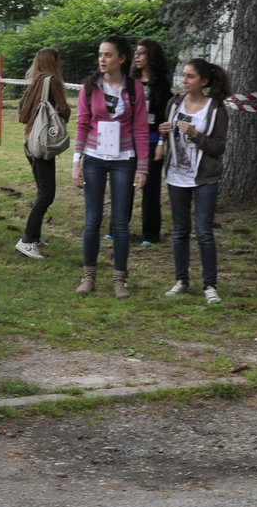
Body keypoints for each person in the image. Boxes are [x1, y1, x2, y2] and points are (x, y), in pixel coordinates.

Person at [72, 34, 150, 297]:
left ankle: (120, 279)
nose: (102, 60)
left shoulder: (135, 89)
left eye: (108, 55)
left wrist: (142, 167)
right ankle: (88, 276)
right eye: (100, 55)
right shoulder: (90, 87)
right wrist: (76, 162)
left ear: (122, 59)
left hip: (123, 160)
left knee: (120, 222)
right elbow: (82, 124)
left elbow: (140, 129)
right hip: (94, 158)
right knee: (92, 220)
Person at [159, 58, 230, 304]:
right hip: (176, 175)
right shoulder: (174, 103)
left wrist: (195, 134)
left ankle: (210, 285)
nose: (184, 80)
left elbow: (218, 147)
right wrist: (163, 134)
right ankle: (181, 280)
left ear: (204, 81)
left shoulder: (215, 109)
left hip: (204, 178)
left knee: (204, 232)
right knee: (179, 231)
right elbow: (166, 135)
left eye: (190, 76)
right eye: (183, 75)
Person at [15, 47, 71, 259]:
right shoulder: (52, 82)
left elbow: (21, 113)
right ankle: (27, 239)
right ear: (53, 62)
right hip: (42, 145)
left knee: (42, 191)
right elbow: (65, 110)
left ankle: (35, 236)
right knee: (47, 193)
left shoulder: (34, 83)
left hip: (29, 142)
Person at [133, 37, 174, 247]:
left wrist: (161, 143)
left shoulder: (162, 85)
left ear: (151, 56)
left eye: (141, 53)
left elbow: (164, 117)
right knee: (123, 186)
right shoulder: (130, 81)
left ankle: (150, 233)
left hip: (151, 141)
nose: (137, 57)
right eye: (136, 53)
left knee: (150, 188)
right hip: (128, 142)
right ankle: (117, 227)